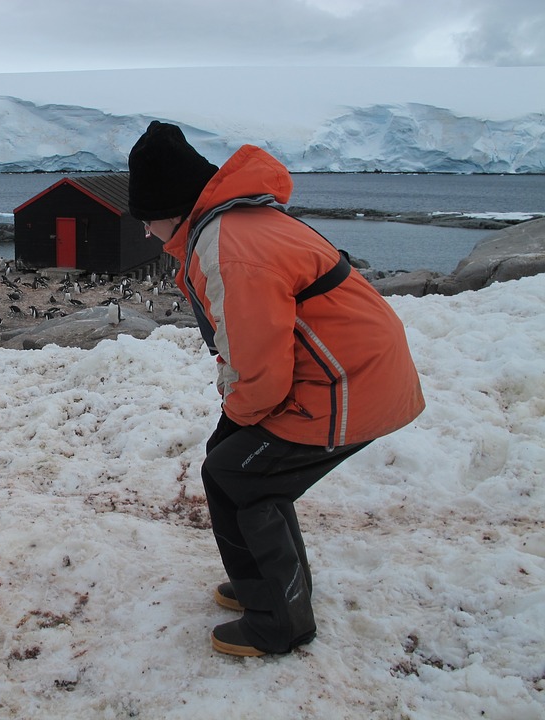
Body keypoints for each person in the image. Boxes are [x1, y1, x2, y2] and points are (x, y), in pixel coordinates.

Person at [127, 121, 425, 657]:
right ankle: (261, 587)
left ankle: (279, 624)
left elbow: (259, 356)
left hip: (346, 385)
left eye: (147, 219)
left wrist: (243, 410)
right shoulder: (235, 223)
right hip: (343, 375)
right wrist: (238, 413)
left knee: (240, 478)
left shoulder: (230, 245)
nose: (147, 232)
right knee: (231, 464)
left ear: (171, 207)